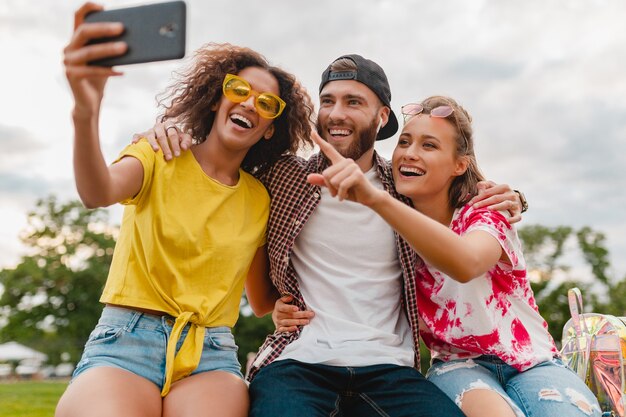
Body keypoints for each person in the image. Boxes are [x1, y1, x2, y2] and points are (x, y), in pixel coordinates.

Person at [137, 54, 523, 416]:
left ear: (382, 115)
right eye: (328, 101)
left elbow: (460, 195)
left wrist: (517, 197)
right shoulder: (283, 175)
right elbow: (223, 151)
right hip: (299, 365)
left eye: (354, 102)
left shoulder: (405, 187)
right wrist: (174, 128)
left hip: (389, 368)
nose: (337, 114)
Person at [56, 3, 313, 417]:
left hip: (210, 354)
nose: (250, 104)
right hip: (126, 341)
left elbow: (261, 300)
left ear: (270, 128)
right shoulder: (158, 152)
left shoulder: (258, 198)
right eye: (240, 91)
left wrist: (286, 305)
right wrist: (86, 112)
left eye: (267, 104)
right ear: (217, 99)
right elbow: (96, 192)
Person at [283, 95, 602, 417]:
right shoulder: (390, 229)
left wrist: (518, 198)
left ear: (459, 165)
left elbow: (467, 262)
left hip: (534, 360)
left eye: (429, 145)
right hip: (457, 365)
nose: (409, 153)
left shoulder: (485, 212)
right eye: (404, 142)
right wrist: (286, 304)